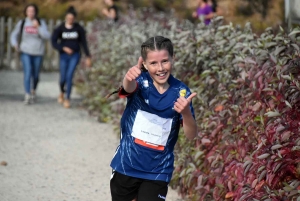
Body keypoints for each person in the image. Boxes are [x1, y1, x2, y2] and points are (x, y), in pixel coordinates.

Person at [110, 36, 197, 201]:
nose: (160, 68)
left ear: (173, 58)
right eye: (153, 63)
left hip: (158, 171)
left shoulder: (181, 92)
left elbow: (191, 135)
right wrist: (128, 77)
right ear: (144, 64)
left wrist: (185, 113)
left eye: (165, 61)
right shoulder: (140, 82)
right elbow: (128, 88)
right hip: (126, 165)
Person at [51, 6, 92, 108]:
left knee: (70, 76)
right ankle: (61, 91)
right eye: (68, 18)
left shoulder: (78, 28)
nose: (70, 20)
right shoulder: (60, 28)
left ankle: (67, 98)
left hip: (75, 55)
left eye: (72, 18)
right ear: (66, 17)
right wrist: (63, 48)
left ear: (74, 18)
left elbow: (84, 43)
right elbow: (54, 42)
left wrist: (88, 56)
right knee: (63, 78)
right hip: (64, 55)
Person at [10, 3, 50, 104]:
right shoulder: (22, 23)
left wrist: (38, 27)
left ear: (36, 12)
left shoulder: (41, 22)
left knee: (35, 75)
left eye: (33, 11)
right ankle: (27, 94)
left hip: (38, 52)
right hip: (25, 51)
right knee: (27, 73)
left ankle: (33, 91)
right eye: (29, 11)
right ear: (26, 12)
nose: (31, 13)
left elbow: (47, 36)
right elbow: (14, 35)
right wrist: (15, 44)